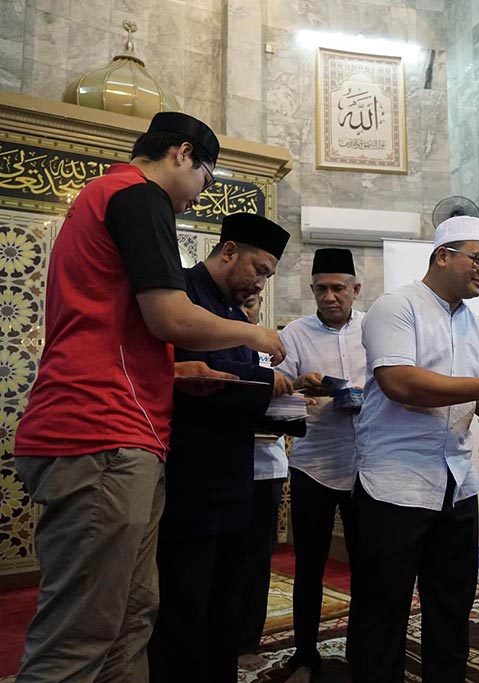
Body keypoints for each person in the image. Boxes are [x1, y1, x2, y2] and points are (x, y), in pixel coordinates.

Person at [12, 113, 284, 683]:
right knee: (80, 636)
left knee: (131, 620)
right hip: (100, 431)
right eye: (205, 179)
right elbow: (169, 317)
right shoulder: (138, 194)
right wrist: (256, 334)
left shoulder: (107, 198)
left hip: (119, 431)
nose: (197, 198)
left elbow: (114, 329)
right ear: (182, 154)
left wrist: (173, 371)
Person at [347, 216, 479, 683]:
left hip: (457, 482)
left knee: (451, 605)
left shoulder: (478, 327)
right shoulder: (397, 307)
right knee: (382, 608)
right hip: (395, 482)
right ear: (443, 256)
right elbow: (399, 383)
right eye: (477, 259)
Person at [148, 212, 293, 683]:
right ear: (229, 251)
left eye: (268, 276)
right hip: (187, 479)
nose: (260, 283)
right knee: (183, 604)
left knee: (224, 603)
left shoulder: (232, 311)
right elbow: (199, 373)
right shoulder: (181, 296)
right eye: (259, 270)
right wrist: (266, 382)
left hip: (233, 477)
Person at [275, 248, 366, 683]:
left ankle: (363, 651)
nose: (330, 297)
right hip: (313, 464)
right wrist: (300, 384)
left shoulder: (374, 329)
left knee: (368, 564)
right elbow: (279, 391)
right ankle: (306, 655)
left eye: (338, 288)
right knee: (309, 565)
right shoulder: (295, 334)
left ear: (355, 289)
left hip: (366, 463)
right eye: (321, 289)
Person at [236, 294, 289, 671]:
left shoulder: (271, 351)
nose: (246, 309)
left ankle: (247, 640)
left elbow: (284, 398)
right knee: (223, 558)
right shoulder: (213, 343)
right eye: (241, 302)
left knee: (257, 559)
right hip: (224, 466)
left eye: (253, 302)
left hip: (267, 468)